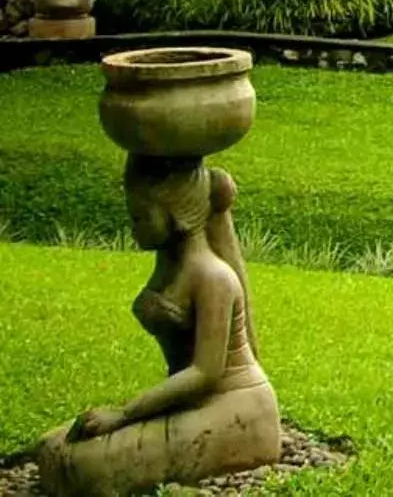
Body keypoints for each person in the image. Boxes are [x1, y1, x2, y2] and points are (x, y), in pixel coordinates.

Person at [36, 161, 280, 497]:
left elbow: (204, 373)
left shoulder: (214, 278)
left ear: (176, 216)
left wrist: (124, 414)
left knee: (86, 468)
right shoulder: (170, 265)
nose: (133, 227)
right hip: (190, 404)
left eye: (141, 218)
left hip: (238, 407)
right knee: (51, 448)